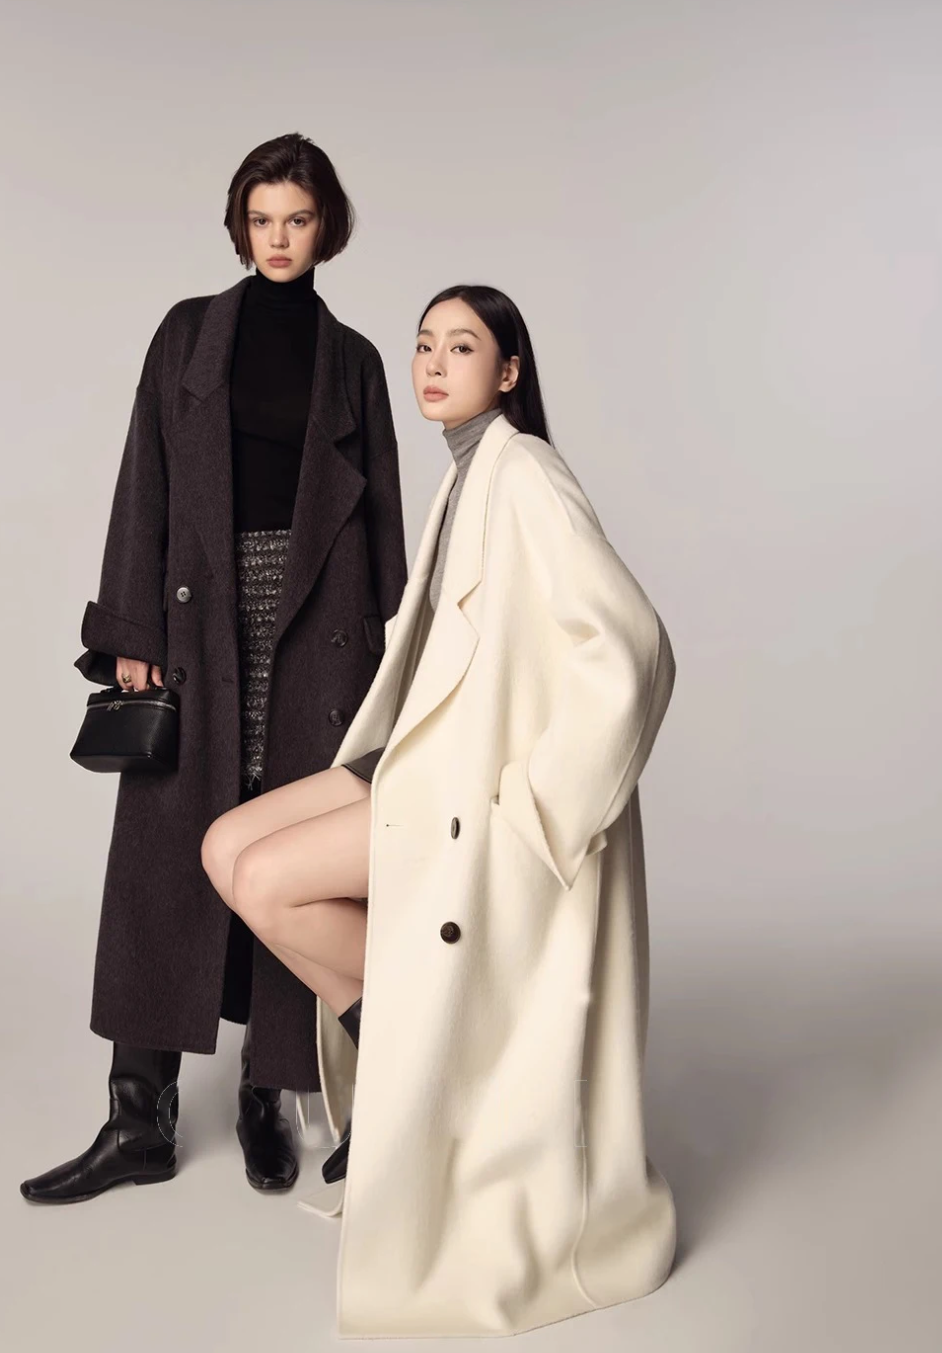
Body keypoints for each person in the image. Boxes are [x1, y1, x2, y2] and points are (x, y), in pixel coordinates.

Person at [201, 285, 677, 1335]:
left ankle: (406, 1062)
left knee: (269, 880)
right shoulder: (466, 472)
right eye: (423, 344)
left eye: (461, 347)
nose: (432, 362)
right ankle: (399, 1040)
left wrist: (536, 807)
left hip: (467, 789)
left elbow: (633, 646)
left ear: (507, 371)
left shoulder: (525, 472)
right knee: (226, 846)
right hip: (407, 759)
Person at [19, 134, 407, 1204]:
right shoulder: (187, 334)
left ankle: (263, 1098)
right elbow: (142, 479)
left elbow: (382, 522)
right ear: (239, 227)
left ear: (326, 228)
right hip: (198, 624)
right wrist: (131, 626)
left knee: (285, 861)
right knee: (165, 857)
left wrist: (385, 665)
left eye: (297, 219)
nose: (278, 238)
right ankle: (134, 1118)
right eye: (261, 219)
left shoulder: (357, 362)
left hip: (315, 629)